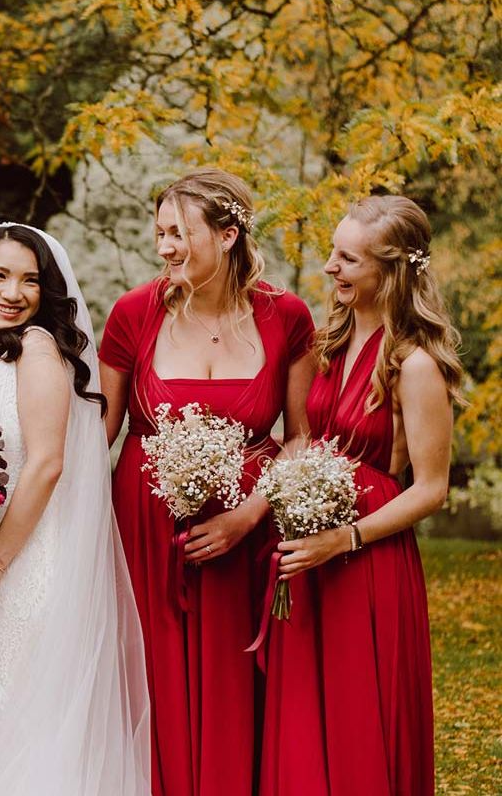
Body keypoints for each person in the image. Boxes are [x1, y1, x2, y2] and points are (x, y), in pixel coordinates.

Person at [98, 169, 314, 796]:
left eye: (178, 233)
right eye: (159, 231)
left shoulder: (287, 317)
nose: (163, 247)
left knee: (234, 684)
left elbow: (299, 436)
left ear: (226, 235)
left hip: (246, 533)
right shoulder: (133, 314)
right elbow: (100, 434)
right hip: (146, 529)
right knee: (155, 682)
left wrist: (249, 514)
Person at [0, 222, 151, 795]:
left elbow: (48, 462)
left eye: (30, 281)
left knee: (29, 726)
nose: (13, 292)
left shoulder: (38, 348)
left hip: (28, 567)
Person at [259, 195, 460, 796]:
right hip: (309, 552)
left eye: (348, 259)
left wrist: (341, 539)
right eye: (331, 253)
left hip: (368, 559)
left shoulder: (416, 364)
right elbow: (302, 436)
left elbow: (431, 488)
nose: (329, 268)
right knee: (301, 718)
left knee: (356, 717)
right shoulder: (328, 344)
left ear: (391, 270)